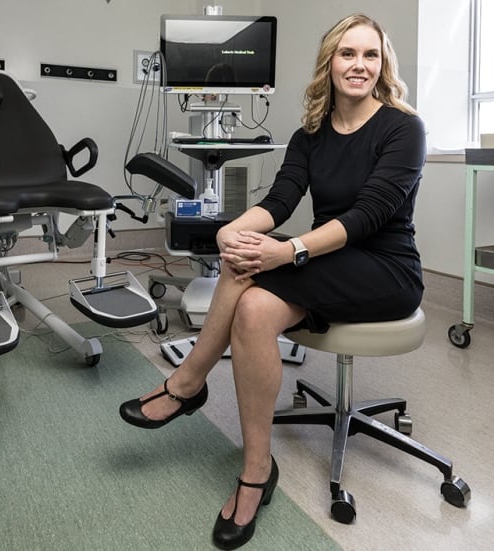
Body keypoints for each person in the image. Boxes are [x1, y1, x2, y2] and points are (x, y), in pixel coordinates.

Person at [120, 13, 426, 550]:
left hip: (386, 269)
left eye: (370, 55)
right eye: (347, 54)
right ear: (329, 62)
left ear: (383, 65)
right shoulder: (310, 132)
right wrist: (231, 231)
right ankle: (257, 470)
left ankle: (188, 383)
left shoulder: (403, 127)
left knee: (256, 264)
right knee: (253, 301)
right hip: (332, 261)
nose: (359, 65)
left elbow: (368, 217)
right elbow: (280, 200)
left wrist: (288, 249)